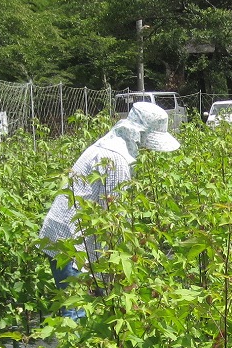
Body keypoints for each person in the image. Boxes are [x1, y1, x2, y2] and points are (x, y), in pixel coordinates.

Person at [38, 101, 179, 295]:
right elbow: (115, 220)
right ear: (141, 134)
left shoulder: (109, 143)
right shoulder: (116, 159)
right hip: (72, 244)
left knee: (81, 309)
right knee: (77, 314)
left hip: (61, 235)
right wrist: (123, 271)